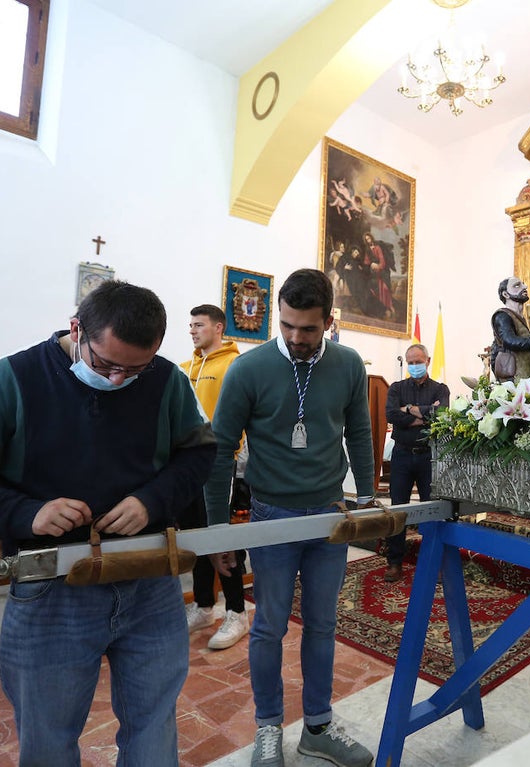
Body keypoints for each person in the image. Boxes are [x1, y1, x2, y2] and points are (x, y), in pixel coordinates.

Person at [0, 281, 216, 765]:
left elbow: (199, 454)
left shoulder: (165, 379)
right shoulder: (11, 378)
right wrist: (26, 513)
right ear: (77, 329)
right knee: (48, 738)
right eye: (106, 364)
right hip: (52, 586)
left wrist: (152, 500)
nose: (119, 380)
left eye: (136, 369)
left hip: (149, 578)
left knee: (155, 724)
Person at [204, 268, 376, 767]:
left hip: (328, 515)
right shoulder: (248, 369)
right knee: (268, 626)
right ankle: (268, 728)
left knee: (322, 624)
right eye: (287, 326)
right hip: (272, 515)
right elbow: (220, 450)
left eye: (309, 329)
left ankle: (318, 727)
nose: (297, 338)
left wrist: (366, 499)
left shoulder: (347, 365)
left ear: (328, 321)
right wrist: (218, 532)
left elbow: (359, 433)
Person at [180, 304, 250, 650]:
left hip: (222, 464)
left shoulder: (235, 366)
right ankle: (204, 605)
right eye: (191, 325)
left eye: (199, 325)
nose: (192, 331)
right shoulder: (184, 368)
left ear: (219, 327)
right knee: (197, 539)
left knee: (223, 539)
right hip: (188, 466)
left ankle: (237, 611)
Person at [383, 344, 450, 583]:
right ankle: (394, 562)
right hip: (401, 455)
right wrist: (424, 414)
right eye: (410, 362)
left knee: (431, 509)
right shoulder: (396, 388)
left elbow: (442, 415)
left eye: (418, 361)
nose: (414, 366)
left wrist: (409, 410)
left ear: (428, 361)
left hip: (427, 456)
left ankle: (433, 561)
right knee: (397, 509)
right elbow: (391, 415)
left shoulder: (440, 389)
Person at [490, 276, 530, 382]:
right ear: (506, 294)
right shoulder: (502, 316)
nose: (525, 287)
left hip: (526, 374)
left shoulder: (520, 317)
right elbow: (508, 340)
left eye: (523, 284)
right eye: (517, 286)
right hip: (513, 377)